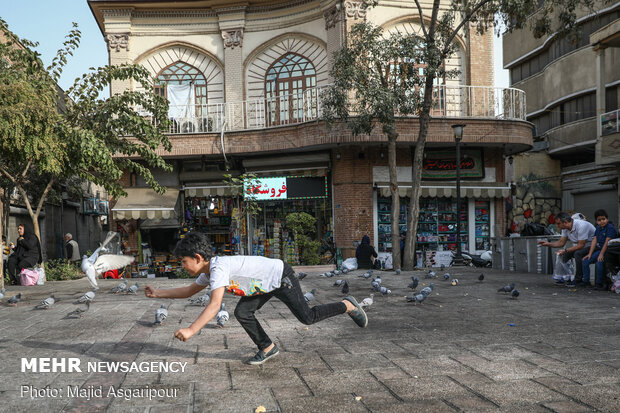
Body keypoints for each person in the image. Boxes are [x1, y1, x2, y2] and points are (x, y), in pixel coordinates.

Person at [144, 232, 368, 365]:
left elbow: (214, 306)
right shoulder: (207, 271)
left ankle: (347, 305)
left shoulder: (218, 267)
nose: (182, 266)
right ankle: (268, 347)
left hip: (281, 277)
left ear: (198, 257)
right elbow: (189, 291)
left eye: (183, 261)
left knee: (307, 318)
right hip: (263, 285)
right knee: (242, 312)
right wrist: (158, 293)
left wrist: (191, 330)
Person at [538, 212, 595, 287]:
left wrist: (566, 250)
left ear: (565, 222)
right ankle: (566, 277)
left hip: (593, 246)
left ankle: (578, 279)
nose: (557, 226)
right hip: (582, 246)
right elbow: (561, 243)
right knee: (563, 255)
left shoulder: (581, 225)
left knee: (577, 253)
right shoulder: (565, 228)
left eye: (558, 224)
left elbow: (581, 245)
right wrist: (548, 244)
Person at [582, 210, 617, 290]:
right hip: (600, 250)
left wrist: (601, 254)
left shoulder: (610, 228)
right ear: (596, 221)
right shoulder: (598, 228)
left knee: (599, 262)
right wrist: (590, 254)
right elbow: (594, 240)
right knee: (585, 260)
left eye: (603, 219)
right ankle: (586, 282)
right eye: (599, 220)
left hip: (608, 252)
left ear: (607, 219)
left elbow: (607, 242)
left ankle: (599, 283)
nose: (602, 221)